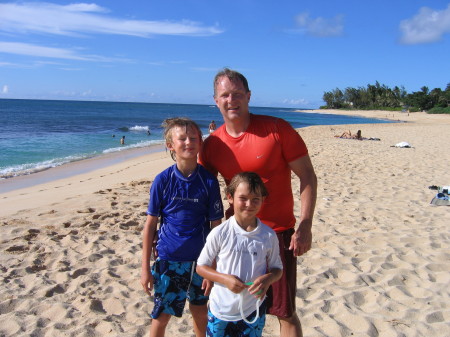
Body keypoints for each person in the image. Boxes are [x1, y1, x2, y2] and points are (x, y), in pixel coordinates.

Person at [199, 68, 317, 337]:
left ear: (249, 96)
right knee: (235, 312)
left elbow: (307, 175)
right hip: (235, 239)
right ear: (216, 100)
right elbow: (207, 199)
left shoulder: (277, 129)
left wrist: (305, 224)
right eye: (225, 95)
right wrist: (212, 258)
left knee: (284, 313)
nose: (231, 100)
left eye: (237, 94)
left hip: (278, 235)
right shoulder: (212, 145)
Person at [141, 117, 224, 337]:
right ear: (171, 145)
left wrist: (213, 268)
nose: (189, 142)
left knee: (200, 312)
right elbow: (150, 225)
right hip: (169, 259)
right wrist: (144, 269)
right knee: (161, 315)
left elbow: (216, 226)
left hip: (201, 262)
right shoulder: (163, 180)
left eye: (194, 138)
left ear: (200, 142)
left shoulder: (208, 182)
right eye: (182, 138)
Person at [197, 172, 283, 337]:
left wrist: (268, 279)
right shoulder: (220, 232)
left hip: (253, 310)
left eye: (255, 199)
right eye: (243, 198)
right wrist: (225, 279)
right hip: (220, 310)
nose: (249, 204)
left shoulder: (268, 235)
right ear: (230, 197)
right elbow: (201, 267)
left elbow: (277, 268)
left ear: (263, 200)